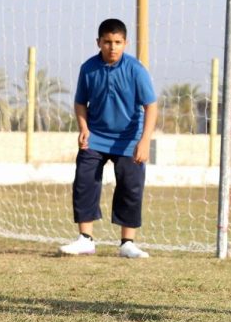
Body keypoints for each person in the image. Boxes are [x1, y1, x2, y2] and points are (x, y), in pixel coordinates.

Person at [59, 18, 158, 258]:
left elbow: (151, 106)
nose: (112, 47)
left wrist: (144, 141)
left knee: (130, 187)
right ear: (98, 42)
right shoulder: (88, 68)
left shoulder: (136, 69)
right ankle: (85, 239)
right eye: (107, 42)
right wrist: (83, 128)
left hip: (129, 139)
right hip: (95, 137)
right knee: (84, 181)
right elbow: (80, 102)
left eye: (117, 42)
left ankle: (127, 244)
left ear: (125, 43)